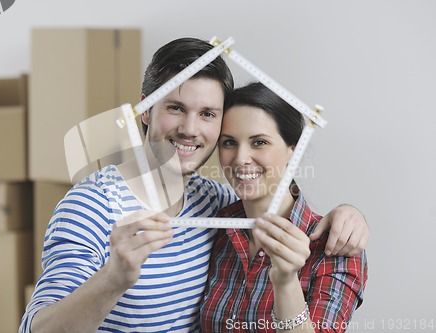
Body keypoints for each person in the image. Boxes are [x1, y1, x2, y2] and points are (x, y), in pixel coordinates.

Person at [20, 38, 369, 333]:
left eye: (207, 114)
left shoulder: (215, 203)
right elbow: (37, 328)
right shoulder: (90, 206)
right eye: (175, 107)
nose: (190, 129)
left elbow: (270, 194)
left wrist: (348, 213)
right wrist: (114, 278)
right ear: (145, 110)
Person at [199, 82, 367, 332]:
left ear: (293, 151)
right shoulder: (215, 225)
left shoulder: (336, 247)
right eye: (229, 143)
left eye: (259, 143)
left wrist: (286, 281)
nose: (241, 158)